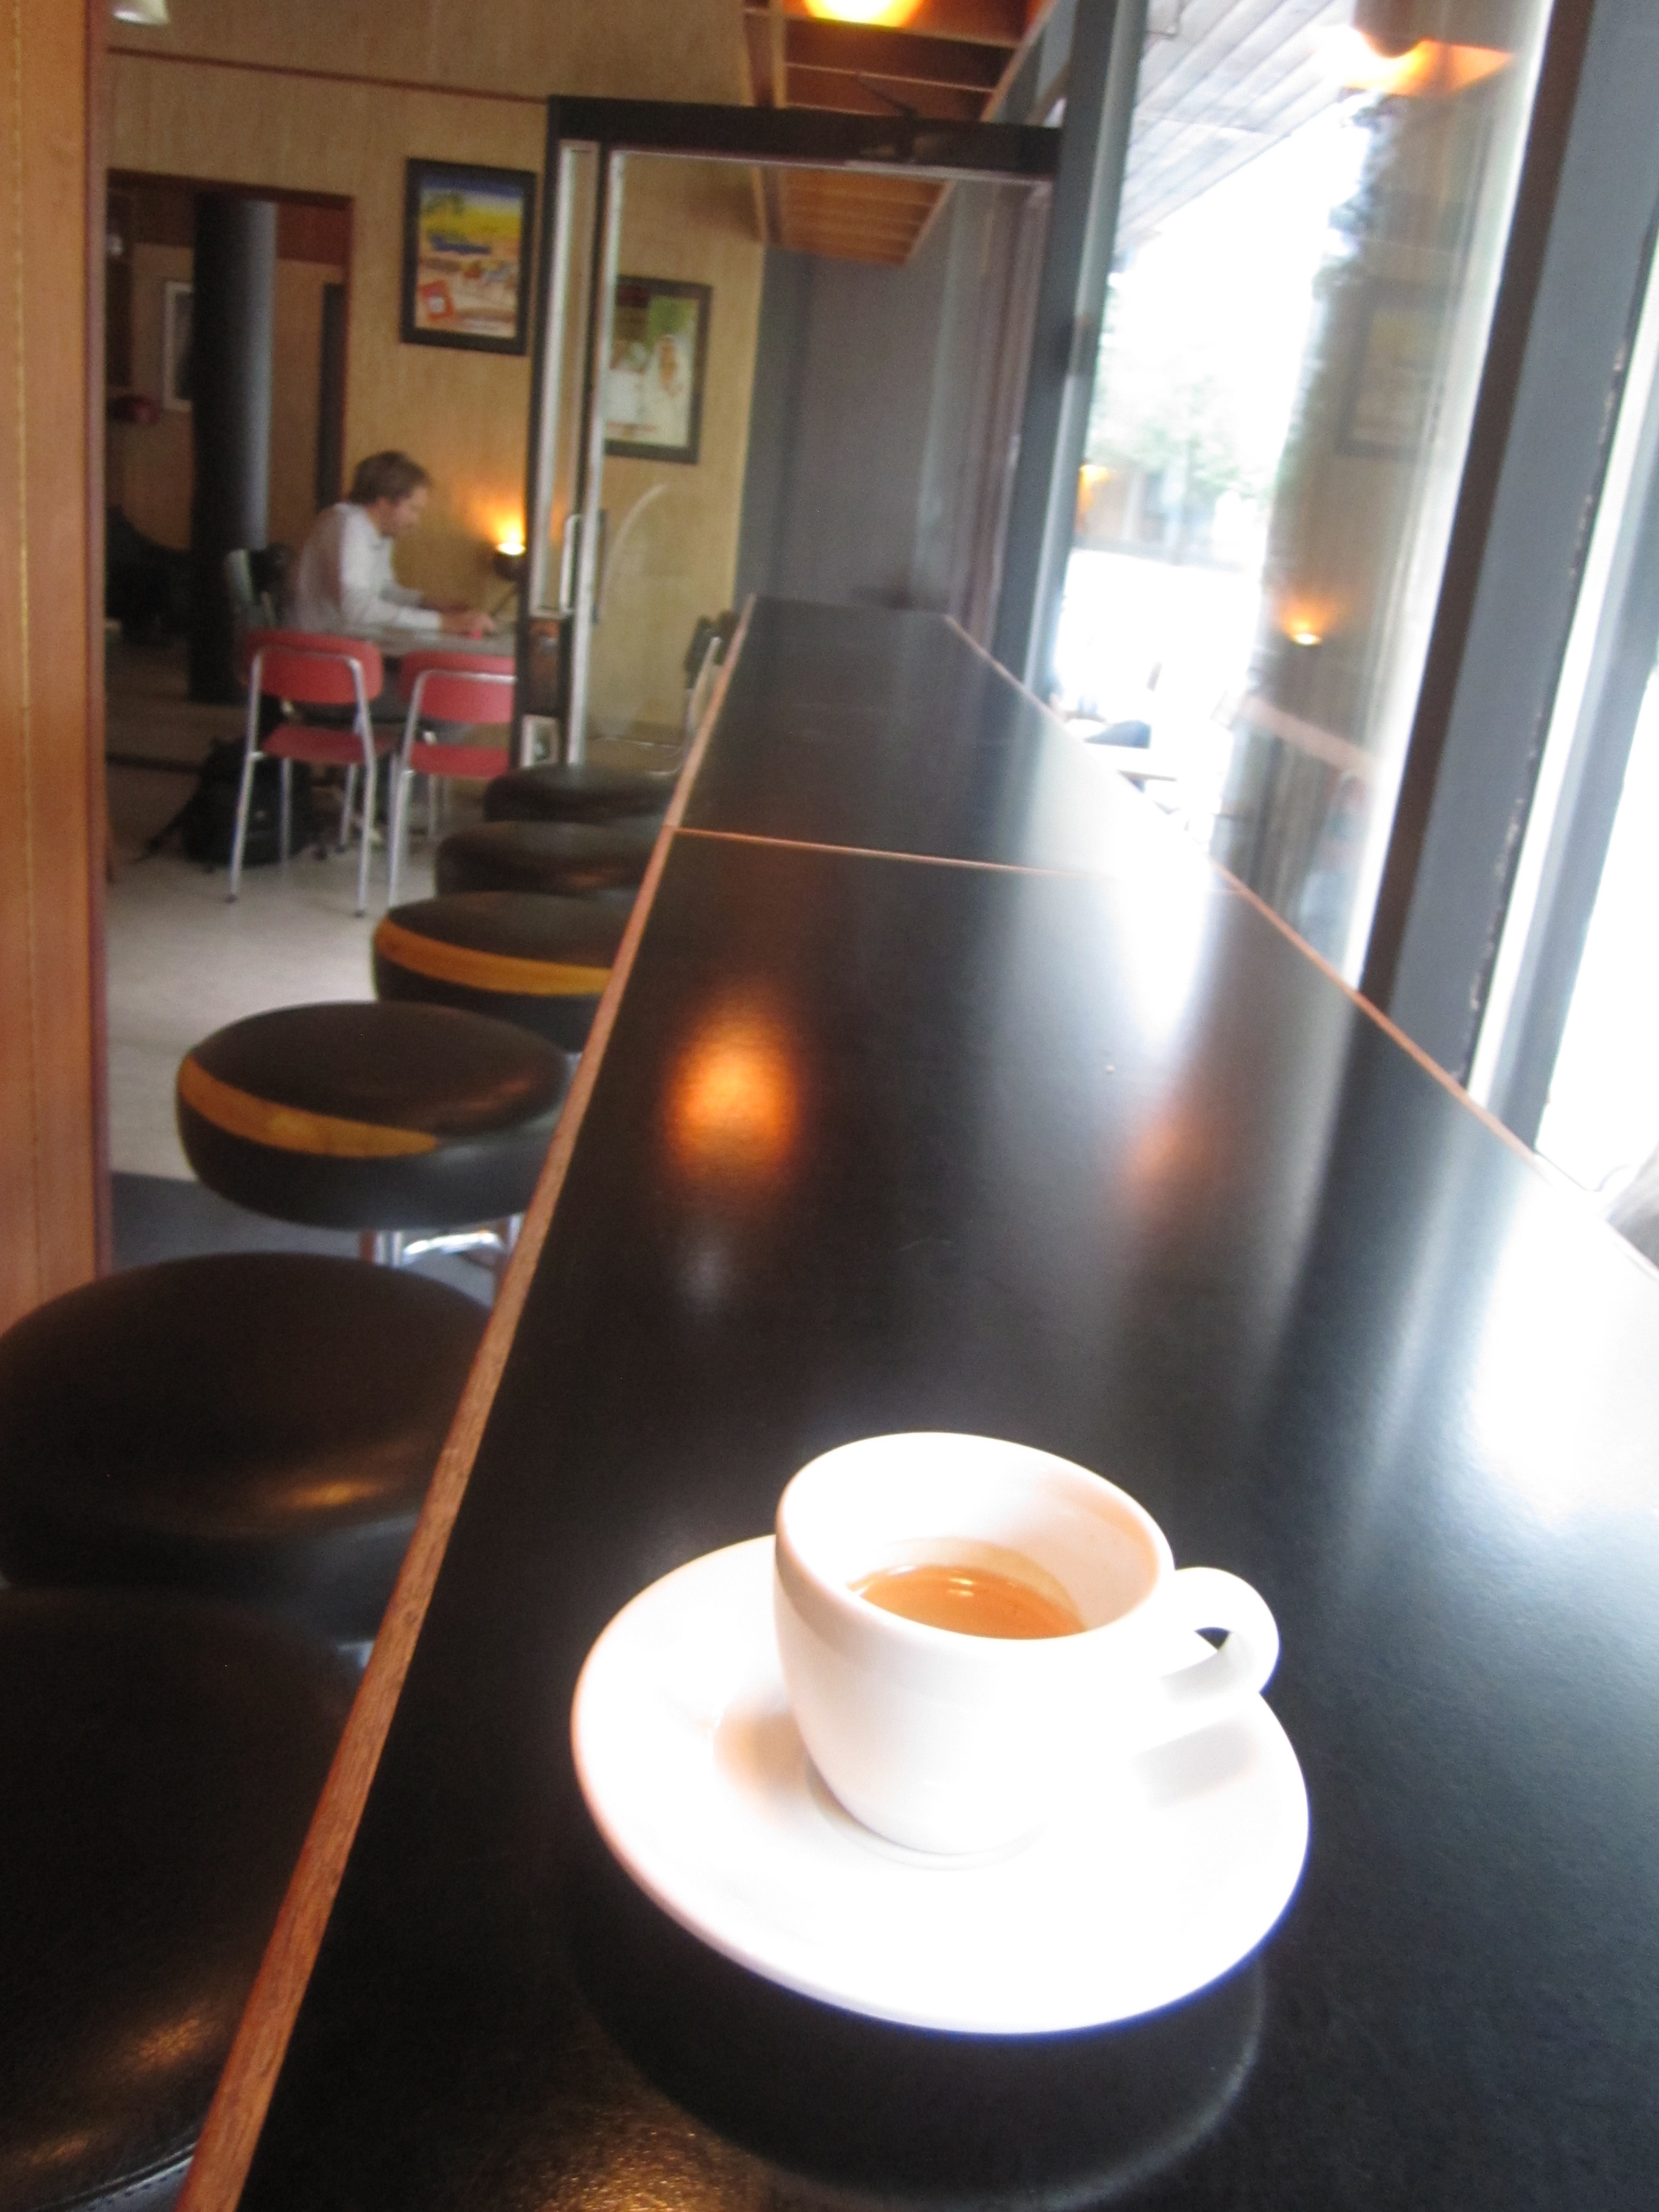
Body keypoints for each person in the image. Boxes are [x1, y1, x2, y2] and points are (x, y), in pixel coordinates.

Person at [289, 451, 494, 638]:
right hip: (317, 649)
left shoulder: (380, 532)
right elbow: (356, 607)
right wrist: (442, 623)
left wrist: (430, 604)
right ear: (384, 501)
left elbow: (384, 591)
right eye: (413, 509)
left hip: (345, 646)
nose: (415, 521)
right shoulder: (348, 524)